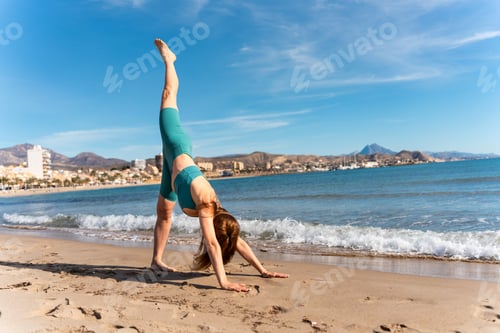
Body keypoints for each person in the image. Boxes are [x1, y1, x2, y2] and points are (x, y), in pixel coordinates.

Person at [150, 38, 288, 292]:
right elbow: (213, 245)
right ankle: (170, 60)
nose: (209, 238)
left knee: (164, 213)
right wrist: (223, 282)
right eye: (213, 235)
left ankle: (156, 260)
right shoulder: (205, 201)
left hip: (171, 171)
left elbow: (235, 242)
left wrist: (263, 270)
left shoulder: (219, 216)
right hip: (176, 145)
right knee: (168, 96)